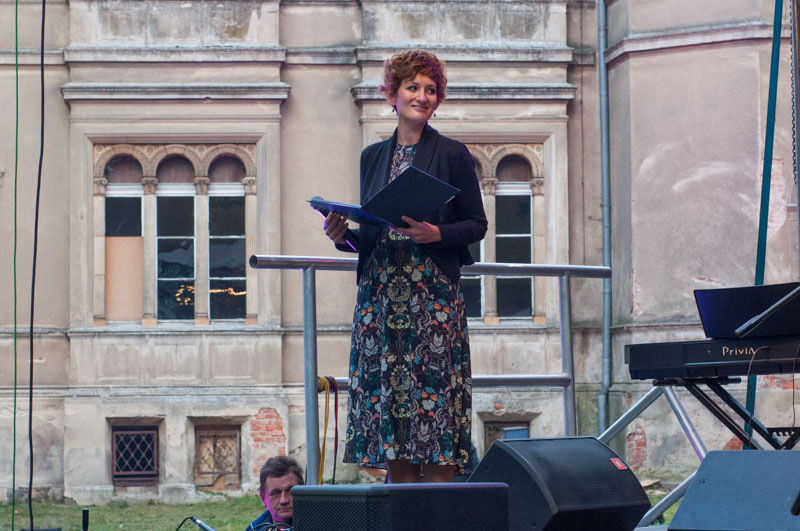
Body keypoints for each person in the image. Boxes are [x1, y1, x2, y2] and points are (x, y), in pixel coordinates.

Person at [323, 49, 487, 483]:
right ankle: (404, 512)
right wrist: (342, 236)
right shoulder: (373, 157)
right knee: (393, 424)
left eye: (431, 89)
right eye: (413, 87)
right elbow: (373, 234)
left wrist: (437, 233)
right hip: (379, 304)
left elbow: (477, 224)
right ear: (391, 94)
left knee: (435, 424)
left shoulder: (452, 154)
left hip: (431, 303)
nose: (422, 96)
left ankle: (439, 512)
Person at [246, 455, 303, 531]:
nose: (283, 500)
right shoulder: (254, 529)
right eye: (276, 493)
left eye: (290, 491)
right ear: (263, 498)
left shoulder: (318, 524)